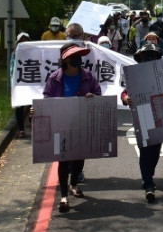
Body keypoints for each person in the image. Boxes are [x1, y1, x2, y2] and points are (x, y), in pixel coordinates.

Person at [42, 43, 102, 213]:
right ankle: (63, 196)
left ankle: (73, 184)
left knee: (79, 158)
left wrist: (93, 97)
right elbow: (47, 98)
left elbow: (98, 94)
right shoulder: (55, 78)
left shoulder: (88, 76)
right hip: (62, 124)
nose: (78, 59)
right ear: (66, 59)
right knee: (63, 159)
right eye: (74, 56)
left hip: (82, 123)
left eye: (80, 56)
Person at [121, 43, 163, 201]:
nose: (149, 59)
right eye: (146, 56)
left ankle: (149, 175)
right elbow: (125, 91)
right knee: (146, 148)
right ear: (140, 58)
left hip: (160, 112)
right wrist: (126, 98)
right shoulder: (134, 74)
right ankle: (148, 182)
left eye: (152, 56)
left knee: (156, 150)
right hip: (143, 113)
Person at [11, 32, 32, 138]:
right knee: (19, 107)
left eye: (26, 40)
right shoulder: (15, 54)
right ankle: (21, 129)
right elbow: (12, 70)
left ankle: (32, 123)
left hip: (32, 82)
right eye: (22, 40)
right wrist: (13, 83)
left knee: (34, 105)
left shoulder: (34, 53)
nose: (24, 42)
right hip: (20, 84)